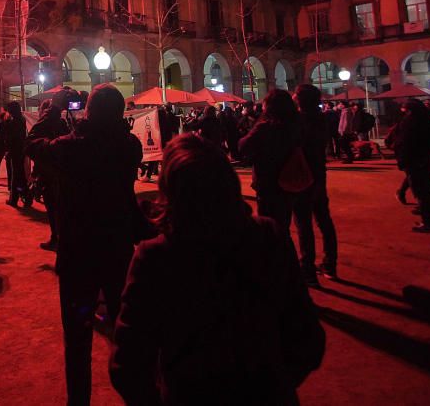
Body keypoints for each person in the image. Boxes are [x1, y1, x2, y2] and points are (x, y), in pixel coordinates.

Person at [109, 133, 325, 404]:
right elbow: (308, 340)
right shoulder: (268, 237)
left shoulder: (157, 257)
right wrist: (270, 383)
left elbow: (128, 364)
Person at [26, 84, 144, 405]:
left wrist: (53, 111)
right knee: (127, 330)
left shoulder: (72, 147)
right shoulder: (131, 146)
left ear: (88, 111)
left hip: (79, 254)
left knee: (77, 339)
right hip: (118, 249)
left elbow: (33, 143)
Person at [238, 90, 303, 238]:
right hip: (292, 177)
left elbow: (243, 145)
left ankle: (274, 258)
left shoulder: (266, 126)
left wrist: (259, 121)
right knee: (284, 224)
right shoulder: (297, 124)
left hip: (268, 179)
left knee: (269, 226)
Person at [291, 84, 338, 284]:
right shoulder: (321, 118)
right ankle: (330, 264)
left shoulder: (298, 121)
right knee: (323, 219)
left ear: (300, 99)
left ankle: (308, 268)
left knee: (304, 223)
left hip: (302, 174)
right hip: (319, 173)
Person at [27, 98, 71, 250]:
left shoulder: (47, 125)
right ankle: (60, 236)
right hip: (60, 172)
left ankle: (56, 238)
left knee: (53, 208)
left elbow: (31, 144)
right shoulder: (62, 124)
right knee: (59, 208)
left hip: (50, 172)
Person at [393, 99, 430, 233]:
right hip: (424, 160)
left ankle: (428, 222)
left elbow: (406, 143)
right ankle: (429, 217)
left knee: (421, 192)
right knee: (427, 190)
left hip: (414, 161)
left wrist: (402, 160)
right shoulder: (426, 120)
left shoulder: (410, 122)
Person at [4, 101, 29, 207]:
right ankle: (26, 196)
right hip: (21, 150)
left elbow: (10, 138)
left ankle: (14, 199)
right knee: (21, 174)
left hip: (15, 150)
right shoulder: (21, 119)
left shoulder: (14, 122)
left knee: (16, 175)